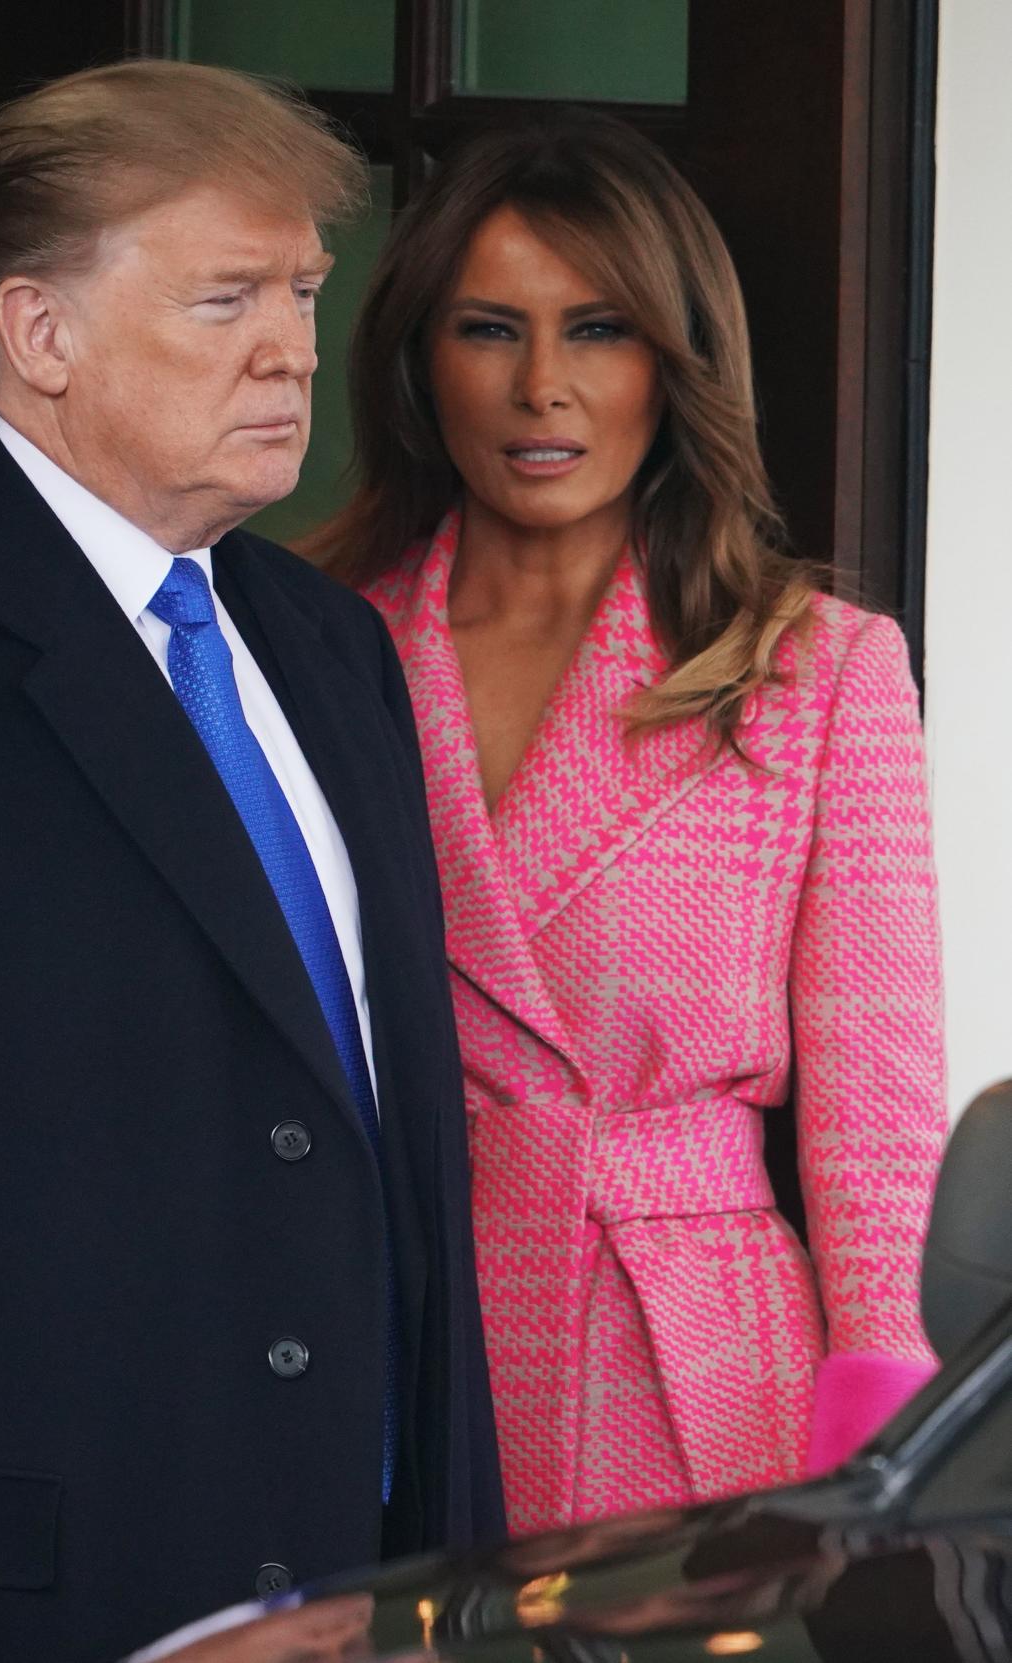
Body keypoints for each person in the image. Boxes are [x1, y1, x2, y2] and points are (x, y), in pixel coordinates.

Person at [0, 61, 503, 1663]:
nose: (293, 350)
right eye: (225, 296)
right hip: (67, 1596)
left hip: (380, 1576)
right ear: (39, 333)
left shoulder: (326, 645)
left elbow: (401, 1148)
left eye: (304, 291)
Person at [306, 112, 948, 1536]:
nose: (543, 390)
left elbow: (877, 1106)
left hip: (695, 1371)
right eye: (488, 330)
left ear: (673, 359)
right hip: (385, 1321)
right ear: (418, 361)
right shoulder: (310, 651)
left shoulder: (813, 669)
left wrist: (877, 1425)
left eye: (596, 329)